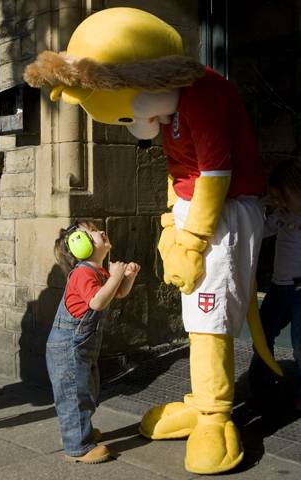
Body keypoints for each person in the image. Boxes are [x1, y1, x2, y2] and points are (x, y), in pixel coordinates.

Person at [24, 7, 281, 474]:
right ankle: (200, 400)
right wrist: (170, 223)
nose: (134, 125)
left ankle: (215, 416)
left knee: (210, 316)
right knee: (196, 313)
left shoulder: (202, 95)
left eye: (125, 113)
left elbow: (215, 174)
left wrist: (193, 238)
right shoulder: (169, 105)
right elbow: (178, 171)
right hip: (196, 212)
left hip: (223, 214)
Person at [46, 218, 140, 463]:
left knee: (87, 391)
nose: (101, 231)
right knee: (74, 395)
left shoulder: (98, 271)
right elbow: (97, 301)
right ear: (80, 245)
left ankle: (78, 431)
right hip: (67, 347)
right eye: (93, 231)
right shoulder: (83, 274)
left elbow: (116, 293)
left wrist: (125, 278)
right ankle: (77, 447)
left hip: (82, 347)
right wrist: (115, 276)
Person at [249, 158, 301, 412]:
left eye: (282, 196)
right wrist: (261, 207)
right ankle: (260, 385)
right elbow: (259, 231)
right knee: (262, 334)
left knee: (300, 344)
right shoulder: (280, 215)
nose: (278, 202)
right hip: (279, 287)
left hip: (300, 289)